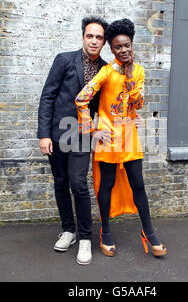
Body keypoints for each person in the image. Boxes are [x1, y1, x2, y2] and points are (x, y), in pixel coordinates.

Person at [75, 19, 167, 258]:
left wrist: (130, 78)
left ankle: (149, 232)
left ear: (131, 44)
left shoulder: (138, 70)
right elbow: (81, 99)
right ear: (111, 48)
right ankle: (106, 232)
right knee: (106, 184)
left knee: (138, 184)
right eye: (117, 47)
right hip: (107, 137)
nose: (123, 50)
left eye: (126, 45)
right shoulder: (105, 72)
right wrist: (93, 131)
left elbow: (138, 103)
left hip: (129, 135)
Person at [37, 17, 109, 265]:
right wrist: (44, 134)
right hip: (58, 134)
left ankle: (86, 238)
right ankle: (68, 230)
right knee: (60, 182)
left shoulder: (106, 70)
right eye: (90, 35)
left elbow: (104, 107)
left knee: (78, 183)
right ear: (83, 37)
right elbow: (47, 97)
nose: (94, 41)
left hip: (82, 135)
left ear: (104, 42)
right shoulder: (64, 60)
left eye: (99, 37)